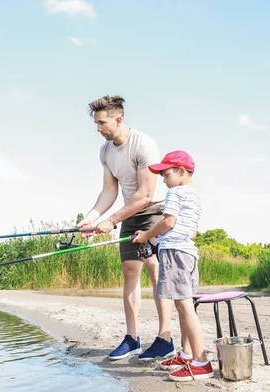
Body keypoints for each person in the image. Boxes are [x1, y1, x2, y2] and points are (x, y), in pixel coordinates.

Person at [76, 95, 176, 361]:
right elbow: (110, 190)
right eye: (96, 124)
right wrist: (92, 218)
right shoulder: (105, 151)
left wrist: (112, 220)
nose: (98, 129)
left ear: (118, 119)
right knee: (129, 271)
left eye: (102, 123)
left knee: (155, 271)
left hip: (153, 210)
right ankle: (132, 339)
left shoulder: (143, 145)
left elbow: (145, 193)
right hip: (129, 213)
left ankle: (165, 338)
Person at [132, 150, 214, 381]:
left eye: (165, 174)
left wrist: (146, 234)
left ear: (180, 171)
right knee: (183, 305)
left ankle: (201, 362)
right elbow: (193, 233)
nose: (163, 179)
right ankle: (187, 355)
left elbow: (168, 222)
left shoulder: (175, 193)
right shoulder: (194, 196)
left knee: (185, 307)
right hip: (188, 254)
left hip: (176, 255)